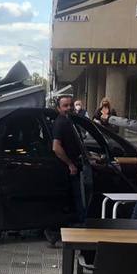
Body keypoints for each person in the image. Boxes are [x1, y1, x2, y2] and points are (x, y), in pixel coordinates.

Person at [47, 94, 86, 244]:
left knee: (71, 201)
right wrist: (70, 164)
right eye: (65, 106)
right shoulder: (60, 123)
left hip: (72, 166)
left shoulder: (70, 121)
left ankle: (58, 232)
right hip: (65, 169)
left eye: (71, 105)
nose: (69, 108)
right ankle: (55, 232)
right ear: (58, 108)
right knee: (70, 201)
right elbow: (56, 147)